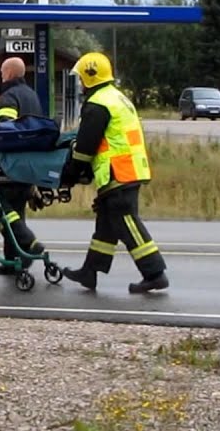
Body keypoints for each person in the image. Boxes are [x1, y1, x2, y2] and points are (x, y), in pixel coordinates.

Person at [59, 52, 169, 293]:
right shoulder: (117, 98)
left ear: (89, 77)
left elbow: (85, 147)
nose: (79, 83)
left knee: (127, 222)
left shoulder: (98, 103)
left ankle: (154, 272)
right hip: (128, 168)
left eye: (80, 78)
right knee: (107, 222)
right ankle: (90, 271)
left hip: (118, 171)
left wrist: (69, 174)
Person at [0, 56, 47, 276]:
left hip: (13, 163)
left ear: (10, 74)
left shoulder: (10, 96)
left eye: (3, 73)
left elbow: (4, 128)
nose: (1, 77)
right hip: (30, 163)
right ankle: (12, 260)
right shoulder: (32, 95)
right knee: (16, 211)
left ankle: (30, 244)